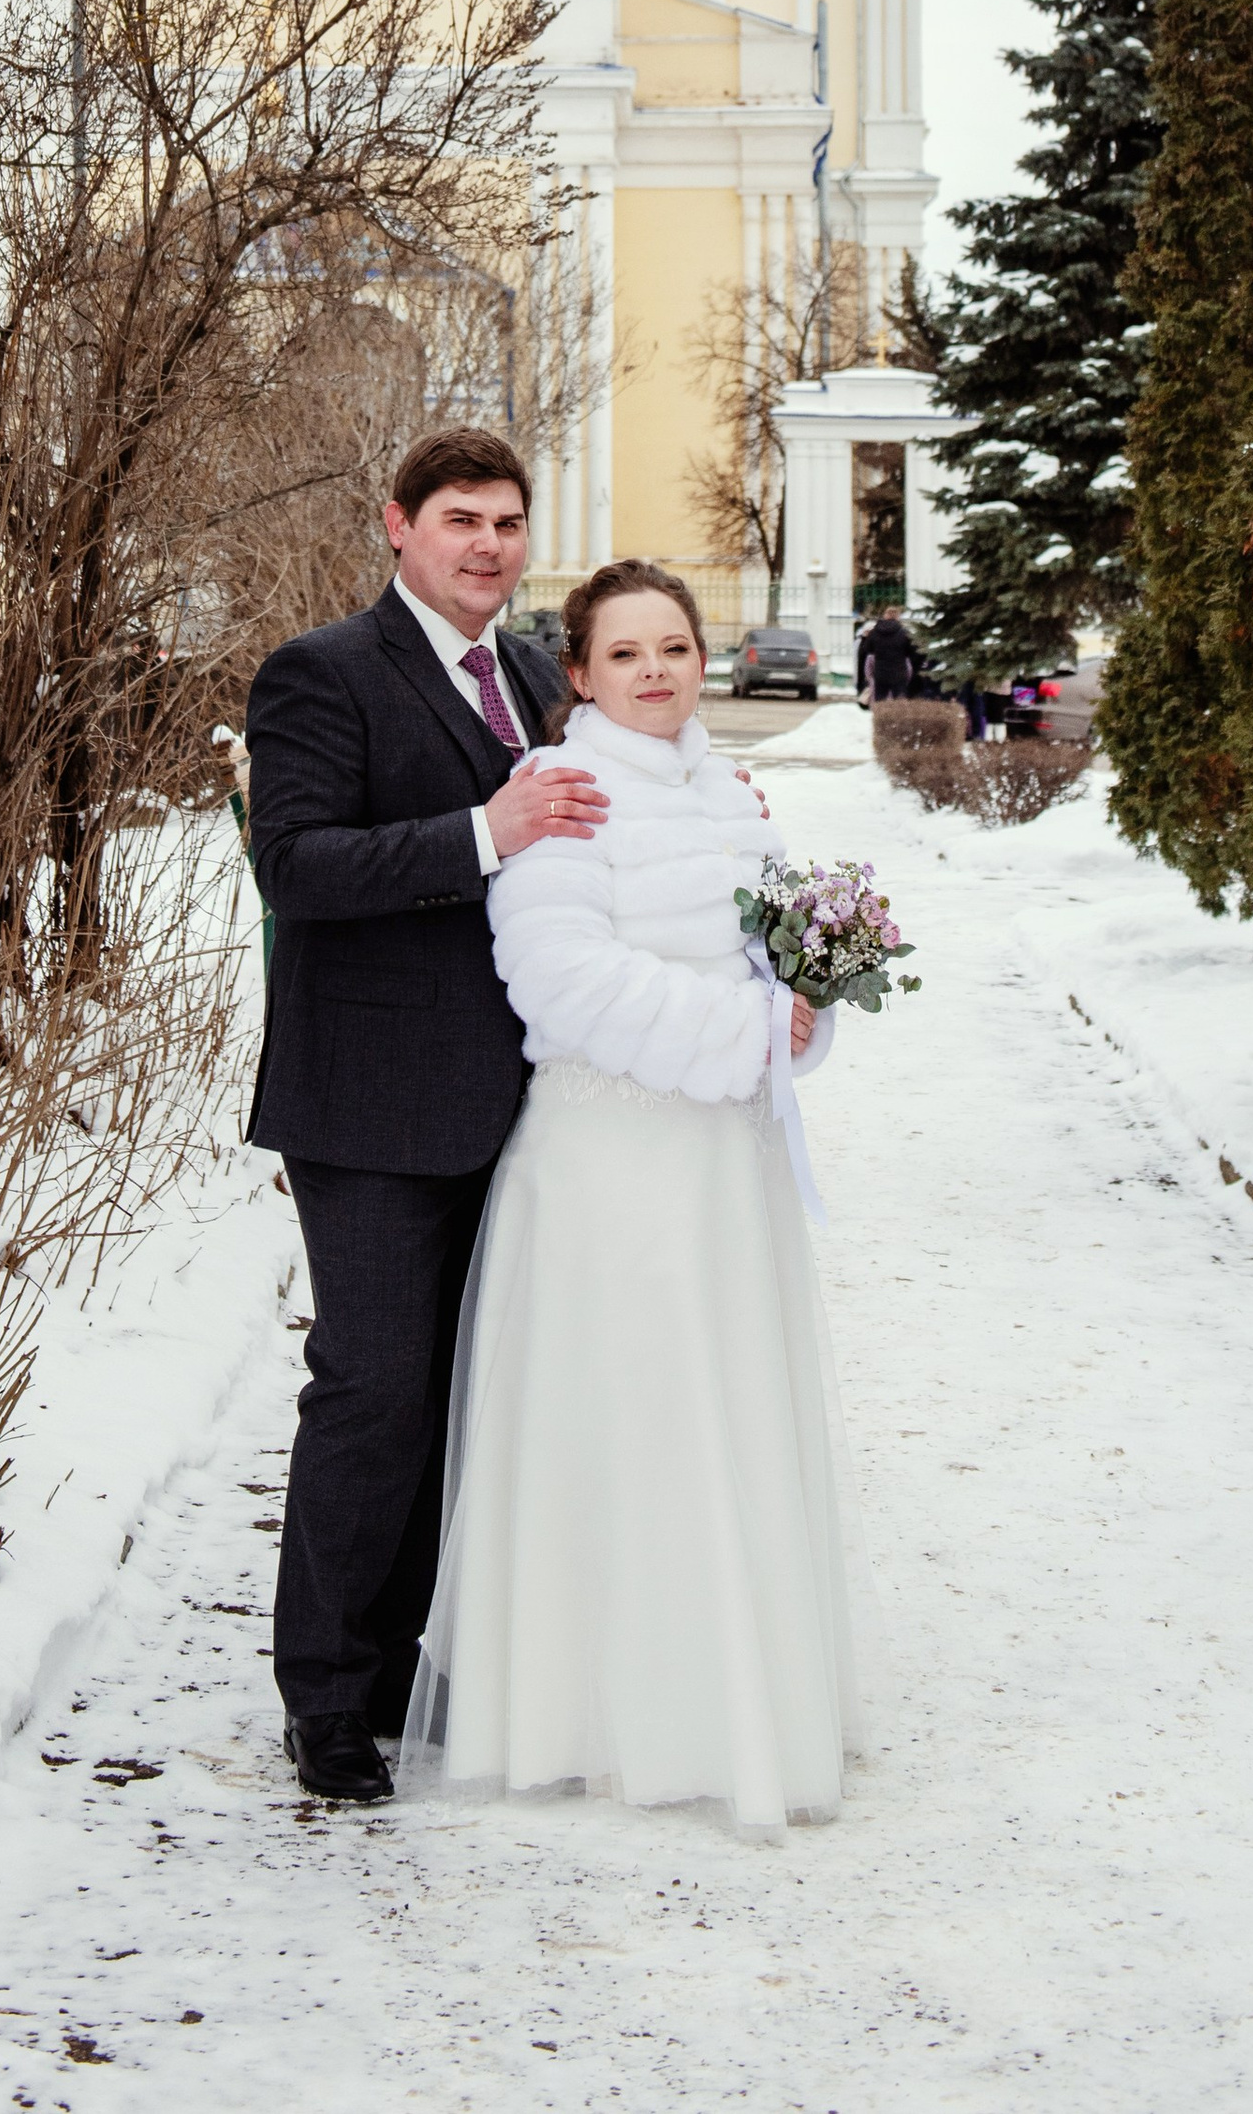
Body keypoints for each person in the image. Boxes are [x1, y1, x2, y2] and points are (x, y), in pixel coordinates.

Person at [401, 559, 867, 1835]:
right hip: (612, 1166)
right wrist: (748, 1029)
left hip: (727, 1164)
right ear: (580, 674)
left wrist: (807, 1009)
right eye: (626, 653)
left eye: (675, 646)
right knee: (628, 1426)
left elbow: (779, 960)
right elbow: (561, 982)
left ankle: (734, 1695)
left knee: (727, 1416)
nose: (657, 670)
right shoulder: (560, 796)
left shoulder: (733, 794)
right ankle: (591, 1711)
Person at [242, 428, 602, 1805]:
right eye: (461, 517)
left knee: (460, 1396)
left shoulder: (525, 672)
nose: (489, 544)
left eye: (508, 520)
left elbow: (581, 822)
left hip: (515, 1096)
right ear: (396, 524)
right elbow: (300, 861)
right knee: (374, 1389)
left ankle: (397, 1665)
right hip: (371, 1101)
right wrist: (481, 833)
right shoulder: (323, 671)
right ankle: (326, 1694)